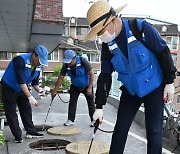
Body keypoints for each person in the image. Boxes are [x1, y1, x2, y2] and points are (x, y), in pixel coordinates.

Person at [84, 0, 177, 154]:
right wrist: (99, 106)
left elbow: (163, 51)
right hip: (131, 91)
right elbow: (105, 75)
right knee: (120, 128)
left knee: (154, 132)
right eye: (98, 34)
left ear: (113, 20)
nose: (102, 36)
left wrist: (169, 82)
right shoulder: (108, 46)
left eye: (101, 31)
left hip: (154, 88)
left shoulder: (140, 28)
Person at [1, 45, 48, 143]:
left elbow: (34, 82)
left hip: (22, 88)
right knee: (11, 112)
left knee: (26, 109)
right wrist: (30, 96)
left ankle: (31, 131)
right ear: (34, 55)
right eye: (40, 60)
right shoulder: (20, 60)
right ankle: (17, 136)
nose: (40, 63)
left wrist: (39, 90)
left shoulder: (38, 66)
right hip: (9, 87)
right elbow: (21, 81)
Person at [51, 49, 95, 126]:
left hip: (87, 85)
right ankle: (70, 119)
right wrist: (55, 90)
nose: (68, 64)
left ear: (74, 58)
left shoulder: (83, 61)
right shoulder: (65, 65)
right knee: (72, 102)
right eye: (67, 61)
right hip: (75, 86)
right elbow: (60, 78)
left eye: (69, 61)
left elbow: (91, 74)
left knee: (91, 103)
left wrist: (90, 87)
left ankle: (94, 120)